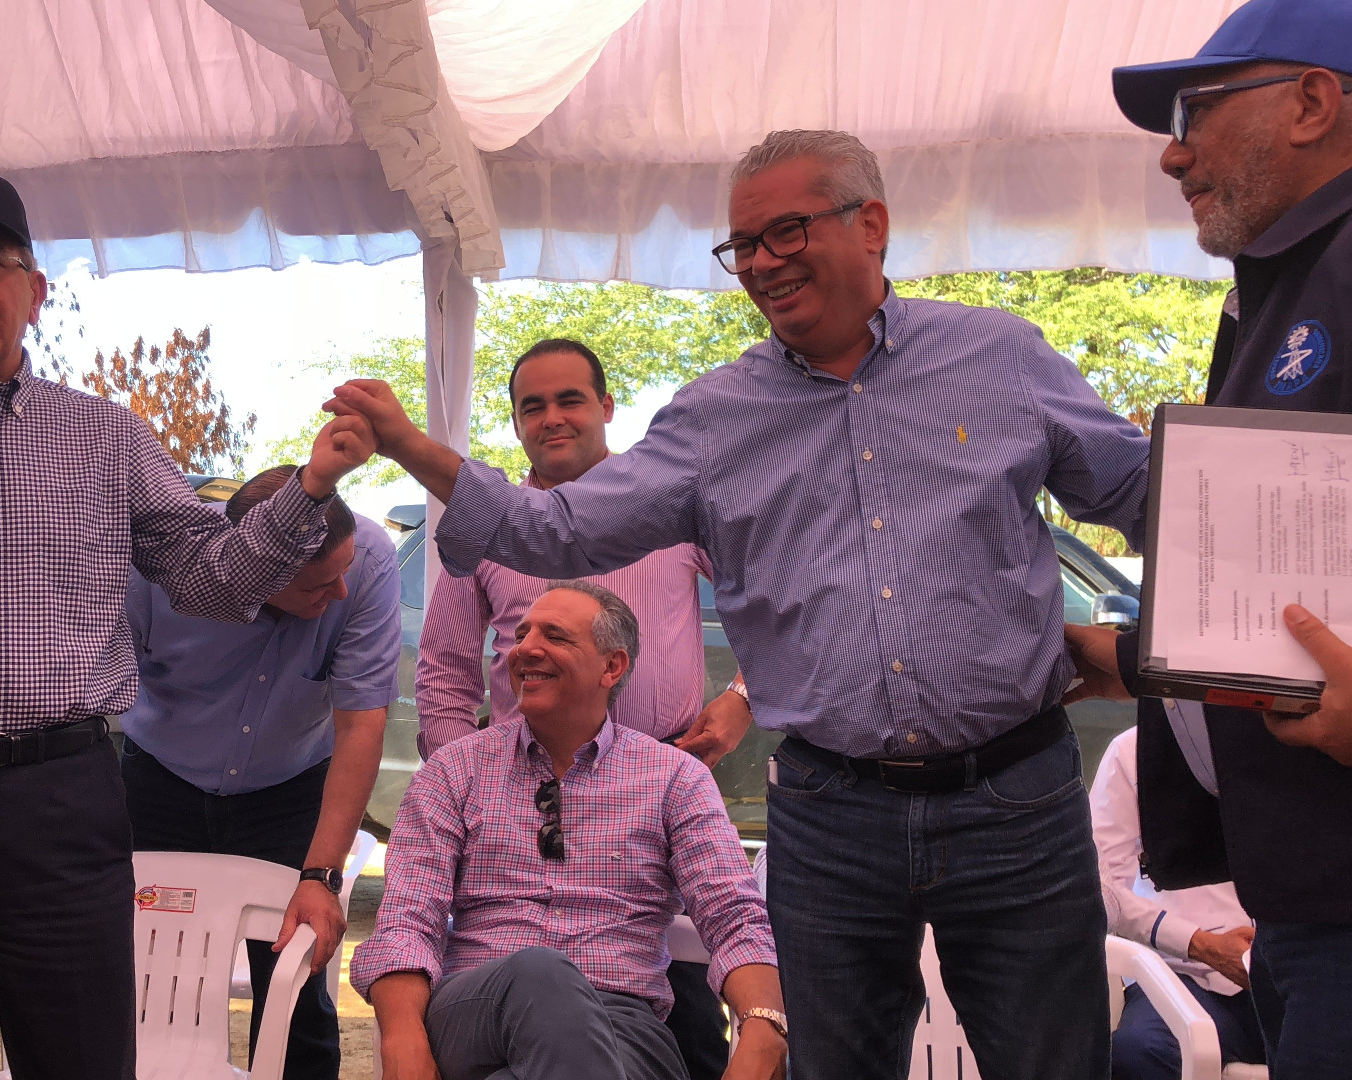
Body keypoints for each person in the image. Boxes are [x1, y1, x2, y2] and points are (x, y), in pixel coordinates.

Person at [330, 129, 1154, 1079]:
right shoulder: (716, 420)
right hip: (832, 814)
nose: (762, 263)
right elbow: (553, 531)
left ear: (872, 224)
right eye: (743, 245)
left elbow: (1150, 499)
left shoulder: (998, 357)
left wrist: (1164, 645)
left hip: (1015, 797)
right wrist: (410, 445)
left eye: (787, 232)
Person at [0, 166, 373, 1080]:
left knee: (83, 1057)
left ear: (35, 290)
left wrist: (312, 487)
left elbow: (214, 581)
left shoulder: (107, 435)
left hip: (59, 796)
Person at [1068, 1, 1352, 1072]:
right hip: (1317, 906)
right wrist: (1130, 659)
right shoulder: (1285, 287)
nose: (1173, 154)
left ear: (1311, 102)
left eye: (1196, 113)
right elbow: (1322, 586)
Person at [414, 336, 737, 1078]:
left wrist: (742, 699)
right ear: (516, 422)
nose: (552, 418)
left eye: (569, 400)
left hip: (658, 789)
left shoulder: (673, 506)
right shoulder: (485, 525)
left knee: (680, 1015)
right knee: (531, 998)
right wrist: (471, 774)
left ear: (607, 406)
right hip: (526, 788)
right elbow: (445, 670)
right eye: (533, 406)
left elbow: (778, 600)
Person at [352, 581, 786, 1080]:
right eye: (522, 634)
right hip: (475, 1011)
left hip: (623, 1026)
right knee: (540, 974)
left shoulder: (674, 779)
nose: (525, 649)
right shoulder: (455, 771)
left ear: (612, 667)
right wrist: (402, 1038)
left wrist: (763, 1027)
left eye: (554, 636)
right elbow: (407, 923)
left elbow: (736, 919)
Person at [120, 465, 400, 1080]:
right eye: (318, 585)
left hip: (291, 790)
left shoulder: (369, 560)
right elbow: (96, 692)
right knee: (150, 986)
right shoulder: (159, 564)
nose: (341, 594)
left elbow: (361, 724)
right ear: (253, 573)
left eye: (342, 573)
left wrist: (321, 876)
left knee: (296, 997)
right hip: (161, 783)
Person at [1090, 728, 1264, 1079]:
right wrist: (1198, 944)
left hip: (1302, 965)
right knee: (1140, 1052)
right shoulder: (1132, 751)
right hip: (1184, 975)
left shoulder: (1301, 742)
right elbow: (1101, 889)